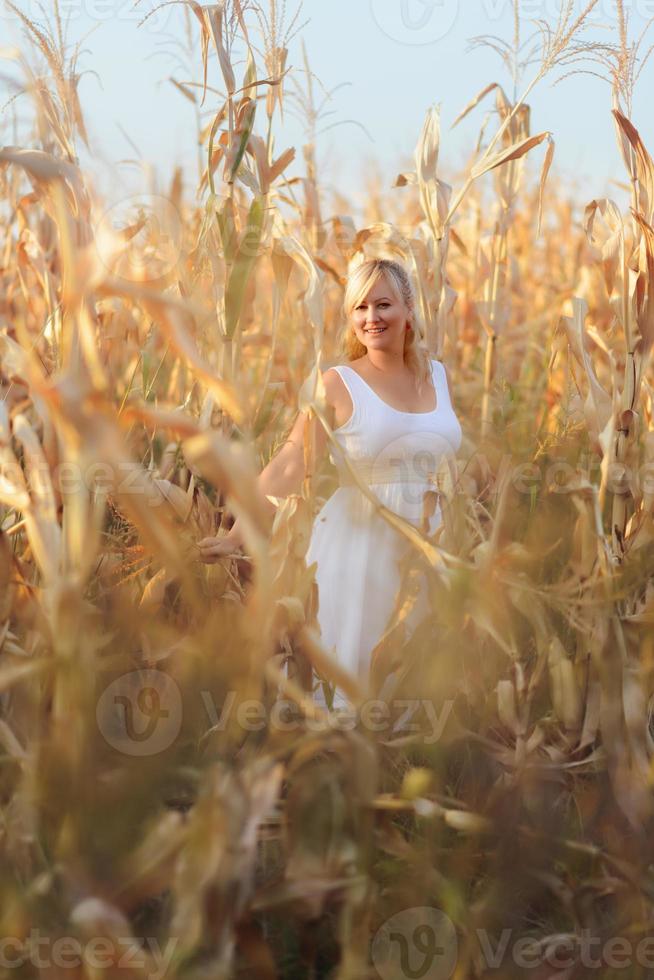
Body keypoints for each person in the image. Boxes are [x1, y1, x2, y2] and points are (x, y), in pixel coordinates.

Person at [198, 258, 462, 707]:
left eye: (383, 304)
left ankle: (411, 767)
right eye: (359, 307)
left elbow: (446, 451)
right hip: (360, 542)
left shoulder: (436, 375)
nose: (371, 318)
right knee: (358, 667)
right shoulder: (339, 383)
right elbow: (290, 463)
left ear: (409, 311)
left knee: (416, 666)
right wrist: (235, 535)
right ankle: (337, 763)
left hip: (428, 537)